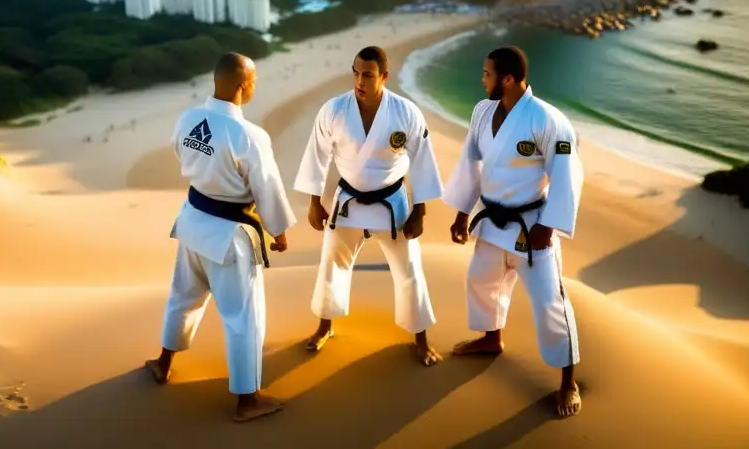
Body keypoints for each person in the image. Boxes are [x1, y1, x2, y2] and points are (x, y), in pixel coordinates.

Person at [145, 52, 296, 422]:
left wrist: (209, 172)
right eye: (254, 81)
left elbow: (182, 150)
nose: (255, 86)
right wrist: (278, 230)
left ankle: (163, 364)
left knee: (182, 298)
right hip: (229, 237)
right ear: (242, 86)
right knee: (243, 318)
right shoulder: (249, 135)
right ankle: (247, 401)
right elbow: (268, 187)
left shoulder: (189, 118)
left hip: (192, 222)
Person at [442, 46, 584, 417]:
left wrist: (548, 226)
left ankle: (568, 382)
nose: (482, 79)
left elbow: (568, 174)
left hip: (531, 224)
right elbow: (470, 163)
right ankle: (491, 340)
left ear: (507, 79)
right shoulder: (482, 111)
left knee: (549, 302)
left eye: (487, 74)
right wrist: (461, 213)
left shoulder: (548, 121)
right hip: (491, 219)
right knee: (481, 280)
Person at [294, 46, 444, 366]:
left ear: (384, 77)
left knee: (409, 271)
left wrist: (420, 211)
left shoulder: (406, 113)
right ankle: (324, 327)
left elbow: (422, 163)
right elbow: (316, 156)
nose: (359, 81)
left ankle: (420, 338)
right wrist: (314, 202)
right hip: (347, 202)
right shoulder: (334, 110)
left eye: (368, 75)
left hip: (392, 202)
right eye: (356, 72)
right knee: (332, 264)